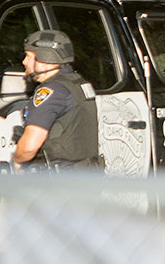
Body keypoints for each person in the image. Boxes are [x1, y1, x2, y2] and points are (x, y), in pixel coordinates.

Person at [12, 29, 101, 172]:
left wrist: (17, 161)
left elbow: (30, 147)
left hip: (60, 182)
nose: (24, 62)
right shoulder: (77, 83)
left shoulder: (51, 91)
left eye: (29, 56)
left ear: (45, 60)